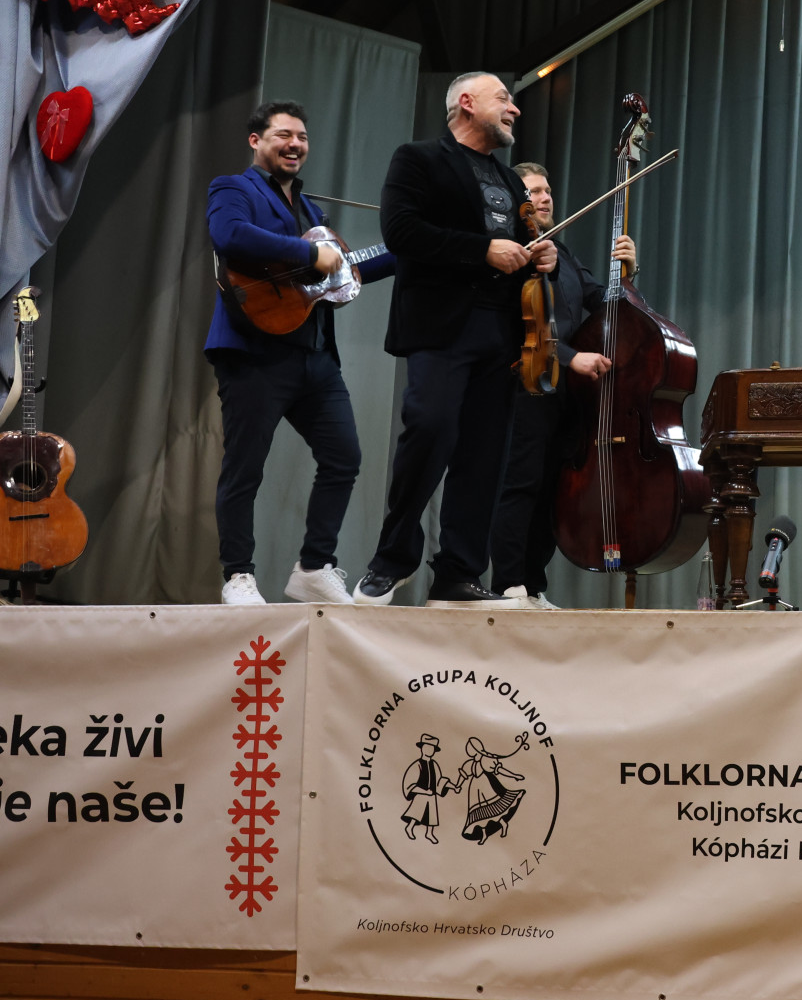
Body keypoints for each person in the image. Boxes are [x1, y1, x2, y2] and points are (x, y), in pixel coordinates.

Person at [351, 72, 556, 609]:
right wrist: (481, 249)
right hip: (442, 327)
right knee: (430, 430)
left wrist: (542, 255)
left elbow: (524, 246)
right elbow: (401, 233)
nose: (515, 109)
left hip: (503, 332)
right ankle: (391, 560)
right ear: (466, 102)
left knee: (484, 457)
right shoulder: (417, 158)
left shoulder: (511, 181)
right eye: (504, 99)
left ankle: (458, 575)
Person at [206, 101, 395, 606]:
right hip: (253, 353)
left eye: (302, 138)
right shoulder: (232, 188)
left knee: (344, 457)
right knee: (245, 469)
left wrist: (408, 250)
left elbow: (340, 274)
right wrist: (309, 253)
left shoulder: (312, 212)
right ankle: (238, 576)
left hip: (314, 357)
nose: (295, 145)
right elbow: (229, 235)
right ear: (256, 140)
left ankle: (313, 567)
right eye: (284, 135)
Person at [487, 162, 636, 607]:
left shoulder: (562, 253)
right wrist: (572, 358)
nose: (545, 196)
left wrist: (627, 274)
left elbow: (604, 303)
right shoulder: (511, 255)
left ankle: (533, 586)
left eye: (548, 189)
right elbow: (517, 329)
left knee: (552, 490)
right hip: (527, 384)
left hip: (566, 394)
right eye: (534, 190)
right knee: (521, 484)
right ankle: (507, 583)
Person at [398, 733, 453, 843]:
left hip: (431, 795)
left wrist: (453, 787)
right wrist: (424, 791)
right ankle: (410, 827)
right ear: (422, 748)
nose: (429, 750)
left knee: (432, 815)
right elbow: (410, 784)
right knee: (416, 812)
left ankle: (429, 833)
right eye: (427, 747)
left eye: (432, 748)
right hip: (421, 794)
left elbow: (439, 781)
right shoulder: (417, 764)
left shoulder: (434, 764)